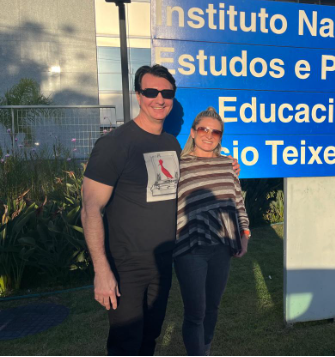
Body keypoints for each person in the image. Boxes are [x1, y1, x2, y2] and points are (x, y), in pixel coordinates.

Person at [81, 65, 239, 356]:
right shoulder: (115, 144)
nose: (159, 98)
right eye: (151, 91)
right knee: (126, 342)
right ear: (138, 95)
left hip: (164, 260)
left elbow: (194, 174)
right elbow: (91, 209)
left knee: (150, 337)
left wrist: (225, 166)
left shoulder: (171, 144)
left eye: (166, 93)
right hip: (126, 265)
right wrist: (101, 271)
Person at [173, 107, 250, 356]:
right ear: (193, 132)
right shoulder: (178, 165)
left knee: (213, 307)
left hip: (222, 247)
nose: (209, 135)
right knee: (195, 312)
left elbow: (238, 202)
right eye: (204, 129)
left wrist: (245, 234)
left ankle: (205, 350)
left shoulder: (228, 165)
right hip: (189, 247)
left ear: (220, 137)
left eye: (215, 132)